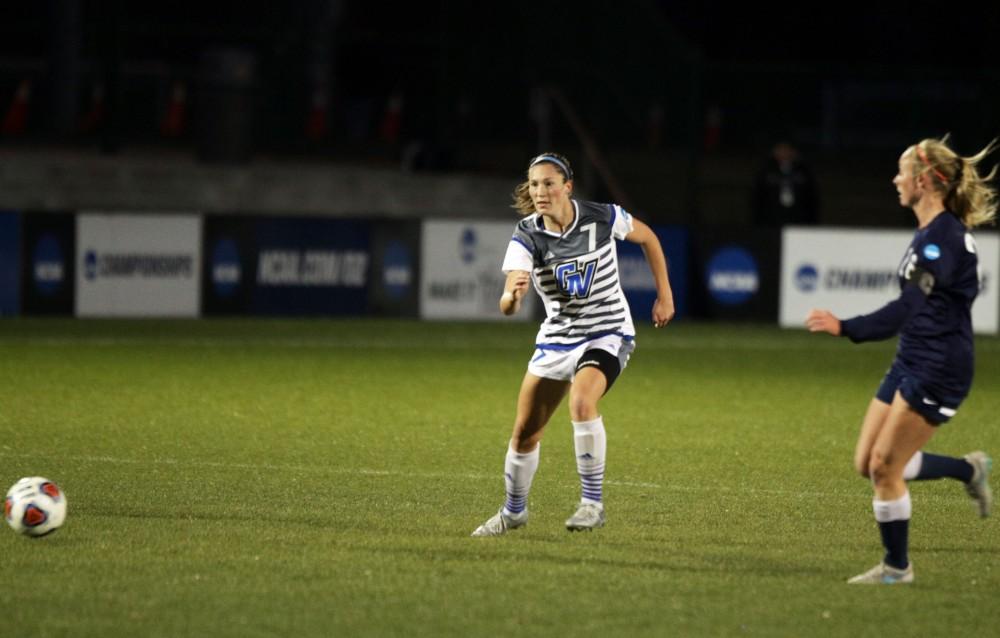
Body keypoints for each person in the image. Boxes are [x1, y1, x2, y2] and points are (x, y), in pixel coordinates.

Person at [805, 135, 996, 584]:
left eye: (902, 170)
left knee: (883, 467)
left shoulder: (943, 240)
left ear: (926, 180)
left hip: (940, 368)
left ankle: (897, 568)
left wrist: (847, 326)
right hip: (912, 357)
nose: (895, 178)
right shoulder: (930, 233)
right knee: (866, 461)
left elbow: (908, 307)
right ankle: (969, 468)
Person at [471, 152, 675, 536]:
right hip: (558, 340)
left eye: (548, 183)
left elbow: (648, 237)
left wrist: (665, 295)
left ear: (567, 186)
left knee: (583, 402)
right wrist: (513, 297)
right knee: (525, 433)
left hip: (607, 331)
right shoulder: (528, 234)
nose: (540, 191)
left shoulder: (602, 217)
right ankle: (513, 512)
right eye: (534, 185)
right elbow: (506, 304)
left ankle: (592, 504)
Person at [752, 141, 819, 227]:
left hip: (798, 221)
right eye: (780, 149)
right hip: (771, 222)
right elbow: (758, 198)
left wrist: (811, 222)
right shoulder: (766, 171)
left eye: (787, 149)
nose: (784, 153)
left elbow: (812, 199)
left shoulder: (803, 171)